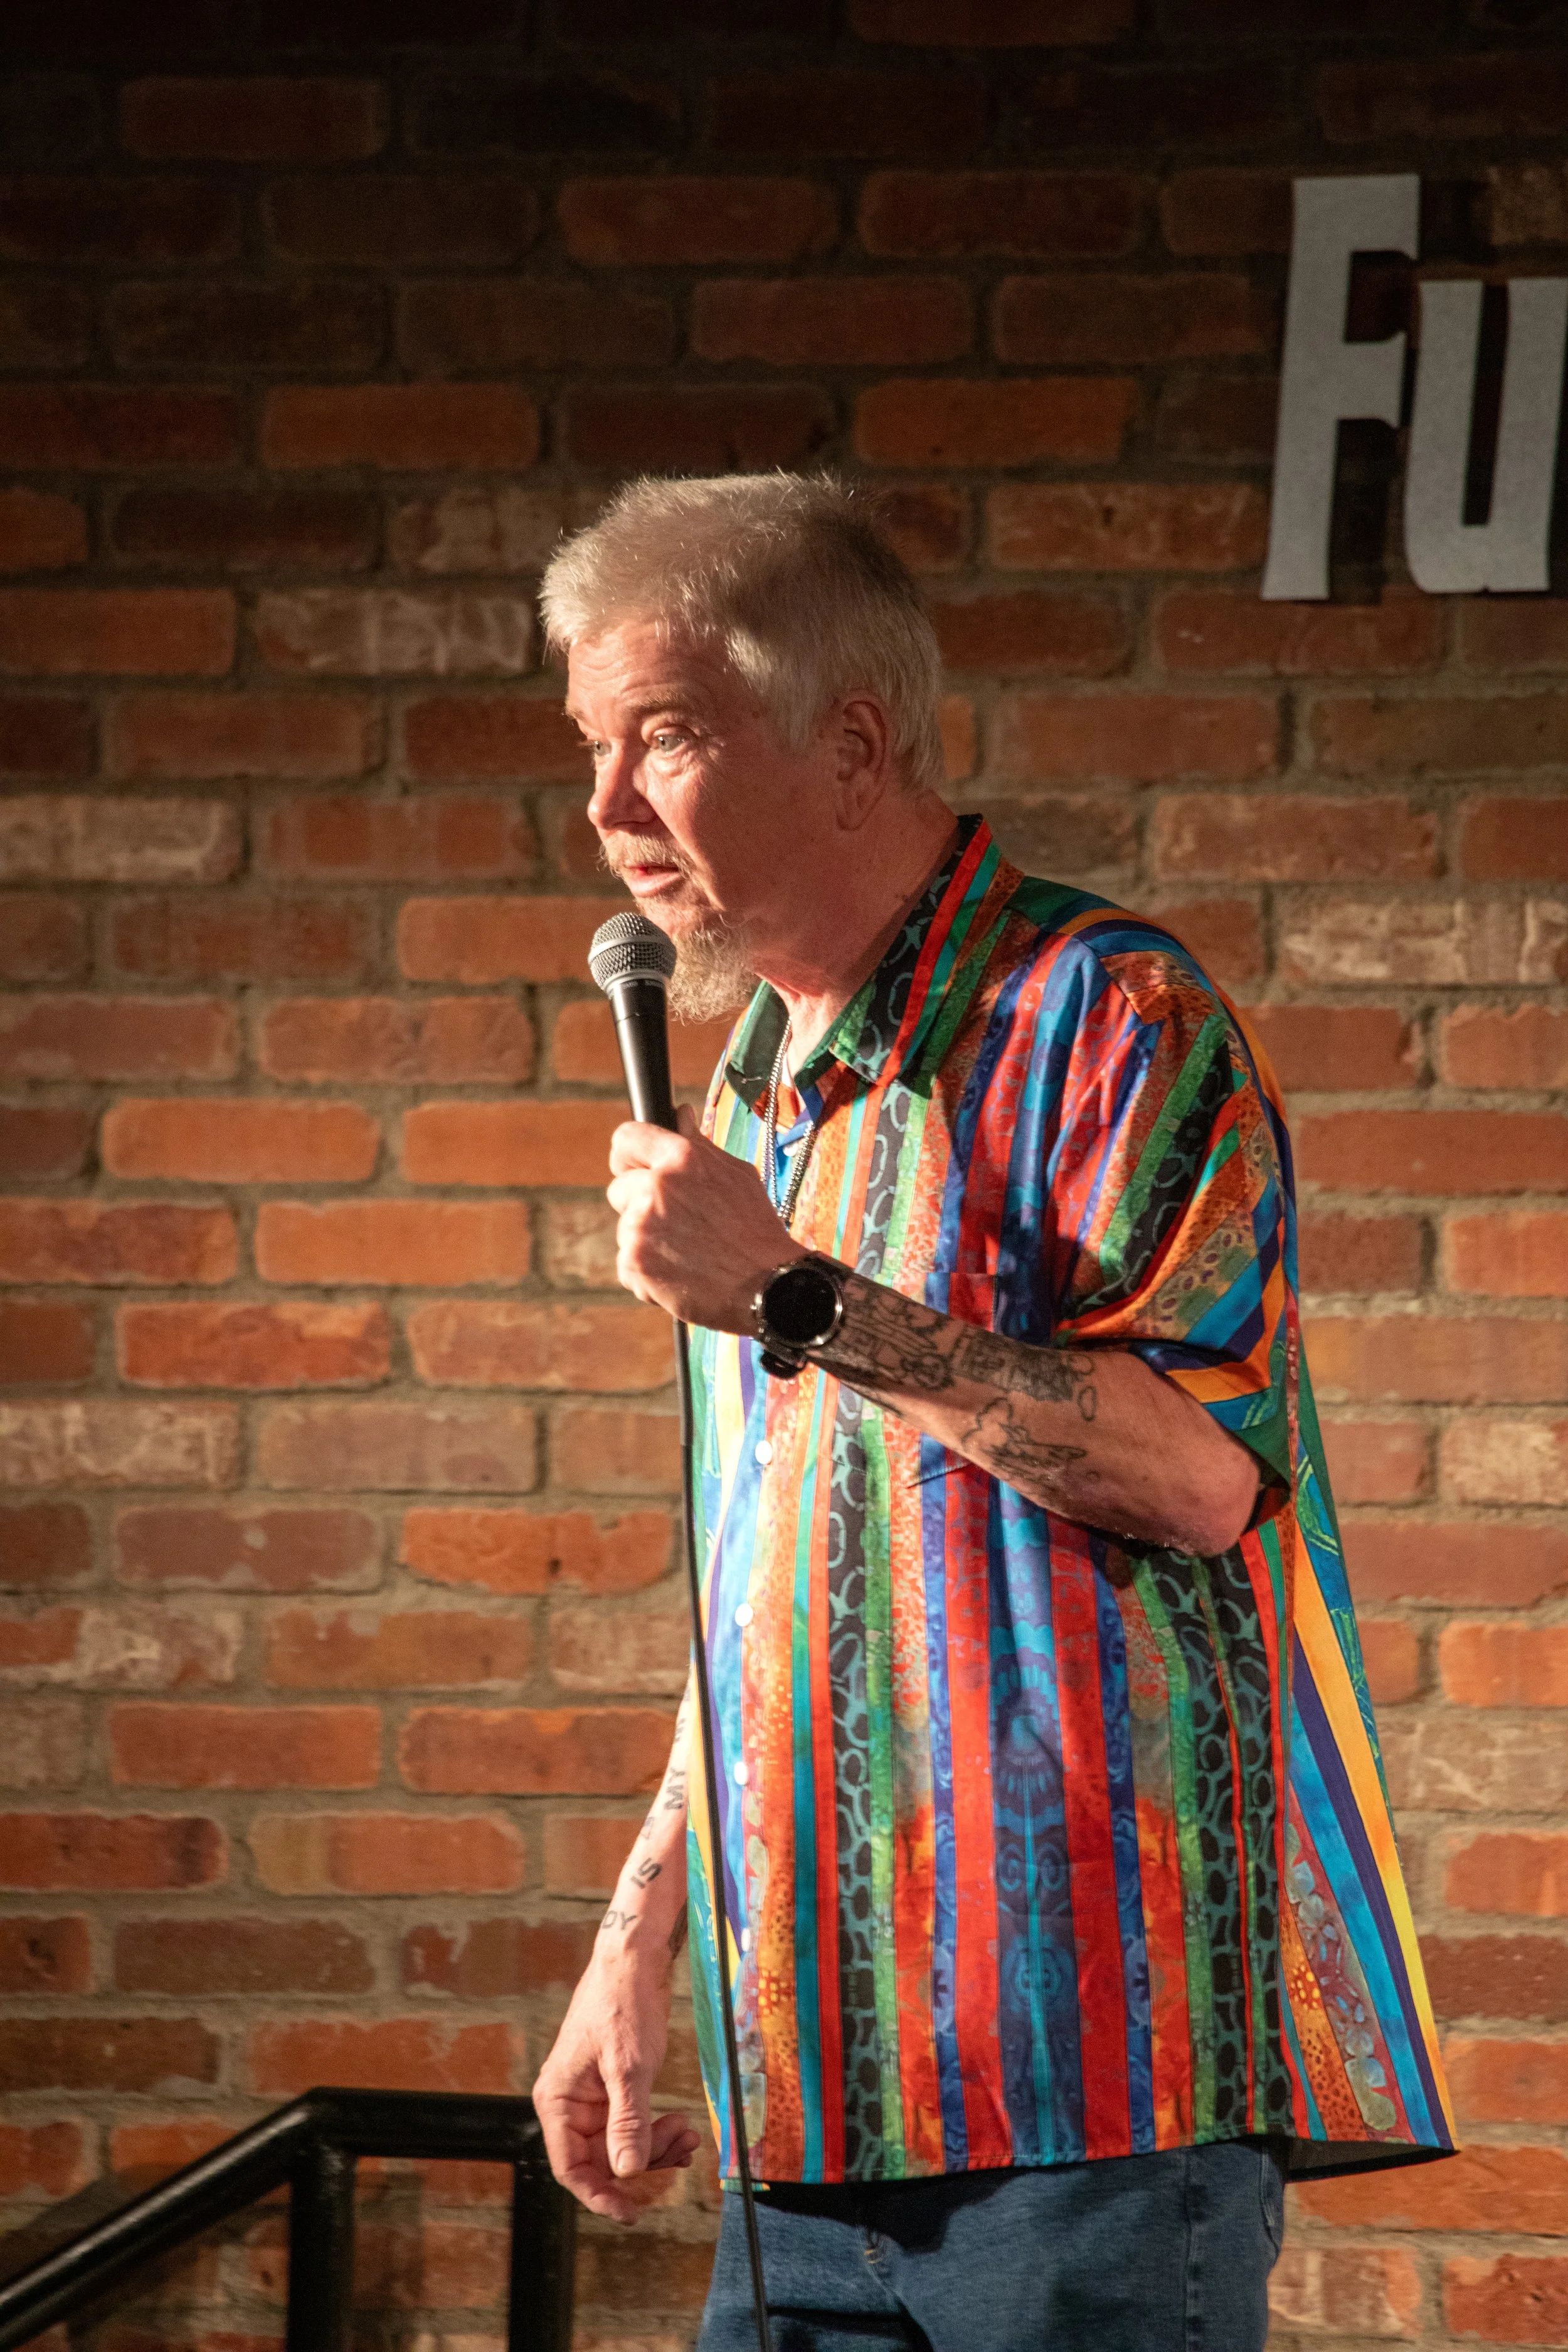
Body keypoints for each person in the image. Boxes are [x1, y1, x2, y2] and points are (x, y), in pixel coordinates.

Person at [531, 474, 1455, 2351]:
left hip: (1082, 2096)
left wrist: (799, 1296)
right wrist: (640, 1948)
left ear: (851, 741)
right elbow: (763, 1572)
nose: (610, 808)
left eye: (667, 739)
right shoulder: (763, 1073)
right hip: (808, 2081)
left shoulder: (1108, 1012)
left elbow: (1198, 1476)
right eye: (591, 749)